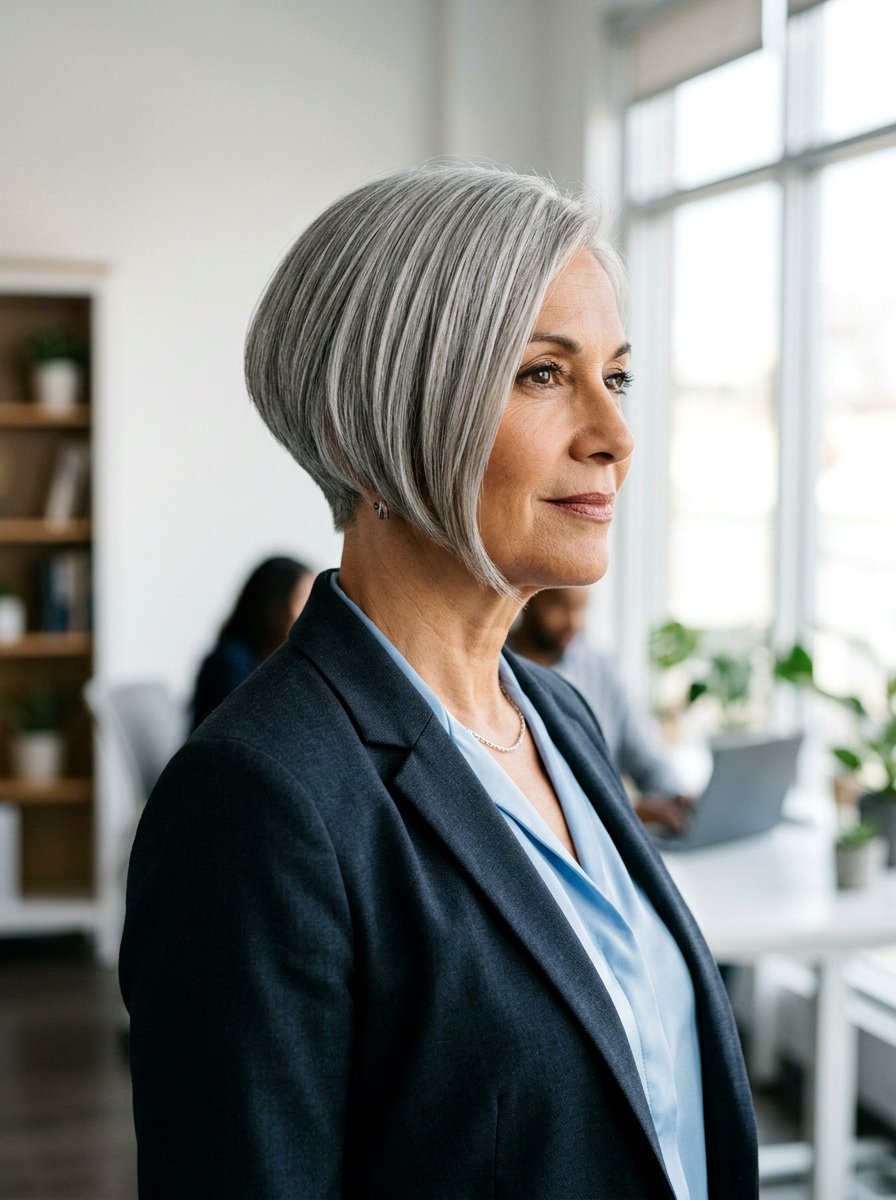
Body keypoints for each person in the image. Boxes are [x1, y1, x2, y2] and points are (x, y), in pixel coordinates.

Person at [120, 164, 757, 1199]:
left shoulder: (557, 714)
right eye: (542, 374)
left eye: (617, 377)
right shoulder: (257, 802)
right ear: (368, 424)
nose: (614, 435)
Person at [509, 587, 694, 834]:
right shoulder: (496, 672)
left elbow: (648, 759)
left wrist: (677, 798)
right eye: (559, 606)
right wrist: (622, 814)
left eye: (581, 608)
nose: (574, 622)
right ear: (526, 598)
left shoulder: (601, 670)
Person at [189, 555, 312, 729]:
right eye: (304, 602)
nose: (312, 614)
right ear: (276, 606)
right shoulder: (229, 663)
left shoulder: (267, 662)